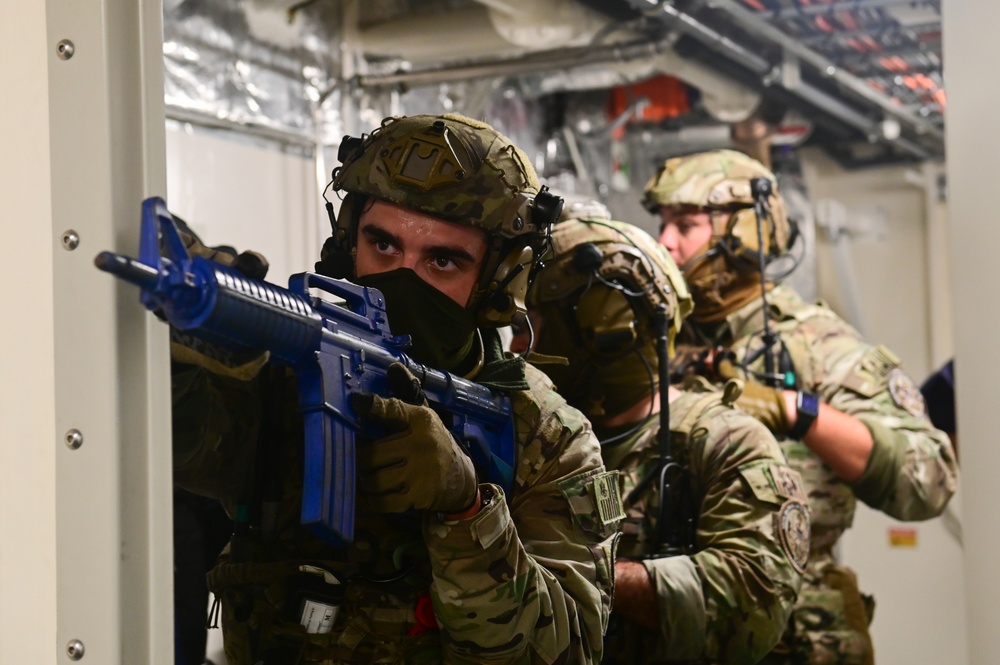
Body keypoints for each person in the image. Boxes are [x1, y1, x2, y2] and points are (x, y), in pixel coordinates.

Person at [171, 113, 621, 664]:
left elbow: (570, 651)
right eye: (381, 246)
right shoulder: (286, 372)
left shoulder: (546, 434)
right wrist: (186, 347)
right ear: (346, 241)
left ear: (498, 281)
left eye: (442, 260)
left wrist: (466, 509)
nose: (401, 278)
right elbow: (173, 442)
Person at [644, 149, 959, 664]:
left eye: (686, 224)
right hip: (680, 619)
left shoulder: (817, 345)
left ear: (742, 233)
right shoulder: (659, 340)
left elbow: (927, 480)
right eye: (662, 223)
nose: (665, 241)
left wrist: (796, 410)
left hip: (800, 635)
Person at [512, 207, 808, 664]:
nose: (519, 348)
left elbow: (754, 606)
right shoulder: (531, 434)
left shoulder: (726, 442)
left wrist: (582, 572)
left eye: (531, 326)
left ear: (602, 333)